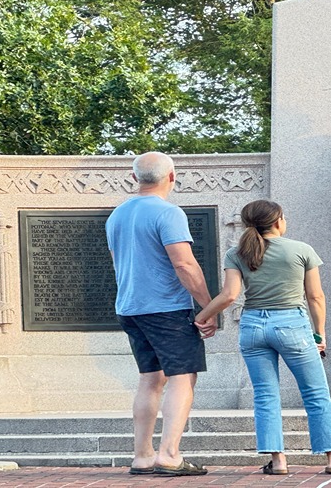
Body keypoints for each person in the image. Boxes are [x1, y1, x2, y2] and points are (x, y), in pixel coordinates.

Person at [194, 199, 331, 476]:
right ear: (278, 222)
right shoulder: (301, 250)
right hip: (292, 325)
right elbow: (315, 297)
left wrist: (202, 316)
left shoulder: (236, 253)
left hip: (252, 327)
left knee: (265, 395)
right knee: (315, 393)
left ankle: (278, 461)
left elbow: (229, 296)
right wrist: (319, 333)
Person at [106, 151, 217, 477]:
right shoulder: (169, 213)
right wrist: (208, 306)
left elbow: (118, 262)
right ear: (171, 177)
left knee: (151, 379)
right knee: (183, 377)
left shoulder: (117, 215)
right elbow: (184, 264)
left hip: (130, 309)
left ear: (135, 178)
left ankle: (142, 457)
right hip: (166, 310)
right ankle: (169, 455)